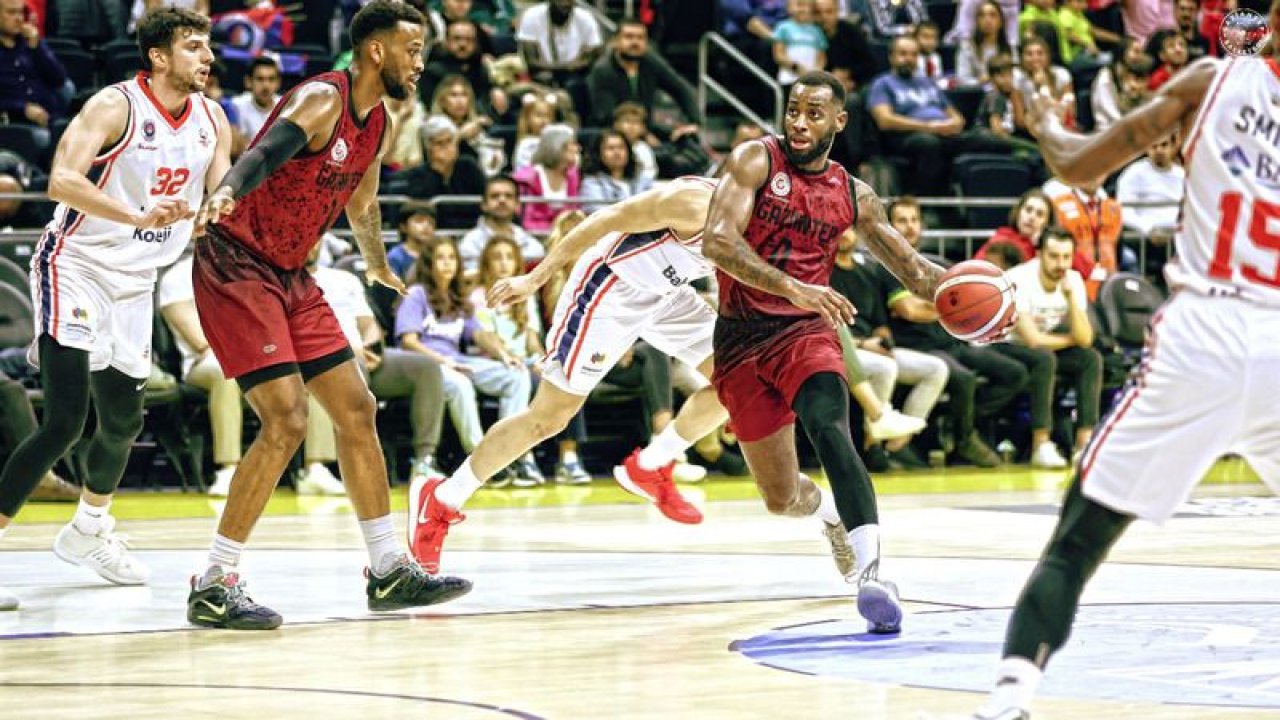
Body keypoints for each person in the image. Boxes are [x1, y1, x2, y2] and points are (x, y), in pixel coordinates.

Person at [968, 20, 1280, 717]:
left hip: (1206, 330)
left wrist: (1045, 120)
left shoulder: (1212, 79)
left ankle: (1011, 696)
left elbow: (1077, 167)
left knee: (1076, 542)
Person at [188, 0, 470, 630]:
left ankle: (388, 570)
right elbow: (266, 153)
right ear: (376, 50)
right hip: (235, 263)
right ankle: (213, 581)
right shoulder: (321, 99)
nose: (420, 63)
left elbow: (361, 204)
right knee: (286, 419)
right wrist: (228, 190)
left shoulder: (380, 125)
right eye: (412, 49)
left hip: (291, 274)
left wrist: (375, 263)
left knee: (356, 408)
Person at [702, 70, 958, 633]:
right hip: (740, 338)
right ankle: (828, 518)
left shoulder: (852, 195)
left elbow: (915, 271)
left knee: (830, 425)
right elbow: (717, 241)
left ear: (838, 122)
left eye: (814, 113)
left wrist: (976, 304)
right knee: (780, 496)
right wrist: (792, 284)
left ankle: (873, 575)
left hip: (804, 331)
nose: (799, 122)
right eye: (794, 110)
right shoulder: (754, 161)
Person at [408, 177, 756, 574]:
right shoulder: (695, 204)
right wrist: (534, 278)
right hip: (609, 288)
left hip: (666, 296)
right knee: (550, 417)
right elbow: (604, 218)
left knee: (740, 379)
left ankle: (652, 465)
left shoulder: (773, 228)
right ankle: (441, 499)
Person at [0, 8, 228, 611]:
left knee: (125, 422)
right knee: (66, 422)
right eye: (194, 47)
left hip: (136, 280)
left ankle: (88, 529)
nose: (208, 58)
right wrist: (135, 216)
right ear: (158, 56)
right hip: (74, 265)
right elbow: (60, 180)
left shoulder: (212, 120)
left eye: (208, 48)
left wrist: (212, 214)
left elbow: (220, 196)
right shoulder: (114, 106)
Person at [997, 230, 1102, 468]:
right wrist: (1071, 339)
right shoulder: (1018, 279)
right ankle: (1040, 444)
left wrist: (1072, 300)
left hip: (1042, 346)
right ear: (1039, 255)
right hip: (1003, 344)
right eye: (1054, 256)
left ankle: (1084, 444)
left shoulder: (1072, 280)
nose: (1061, 264)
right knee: (1044, 358)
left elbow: (1085, 339)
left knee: (1090, 358)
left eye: (1066, 257)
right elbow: (1033, 339)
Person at [230, 56, 282, 140]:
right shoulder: (236, 106)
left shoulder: (286, 107)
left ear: (278, 82)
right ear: (248, 82)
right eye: (260, 79)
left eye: (271, 79)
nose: (266, 86)